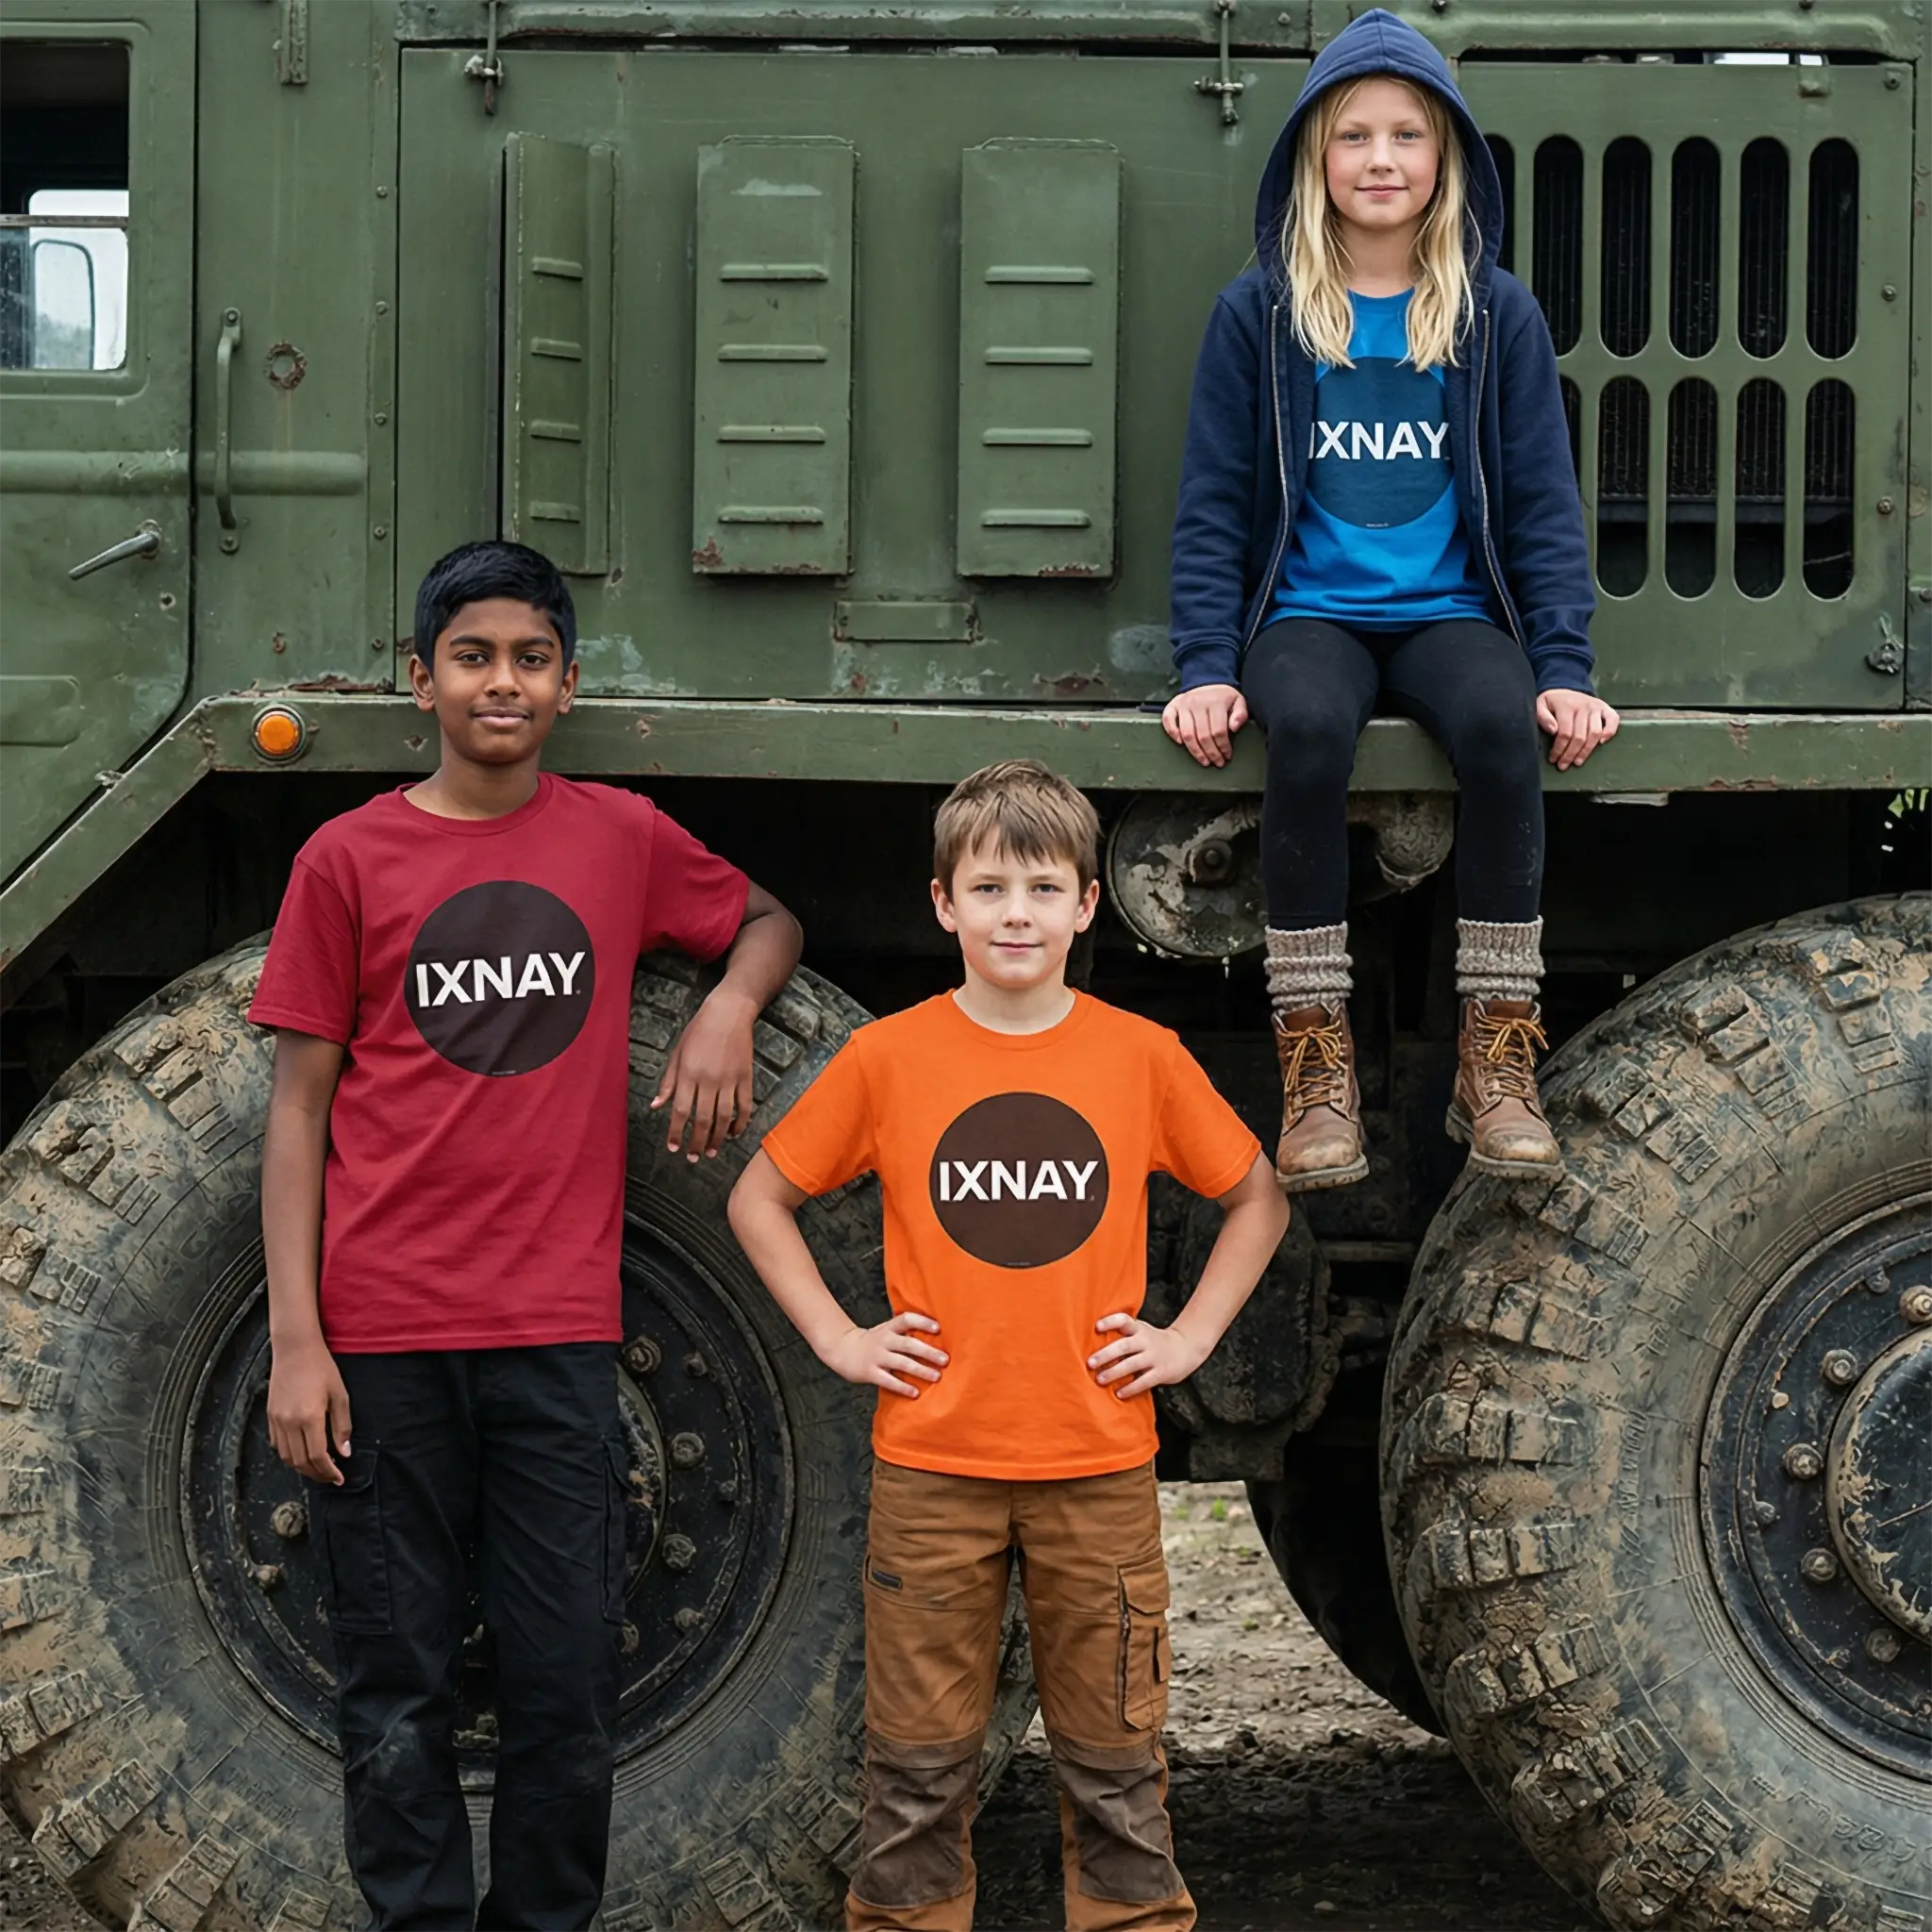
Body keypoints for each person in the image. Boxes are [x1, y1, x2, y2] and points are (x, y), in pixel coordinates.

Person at [249, 540, 802, 1932]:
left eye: (532, 660)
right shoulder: (347, 859)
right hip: (380, 1342)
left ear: (566, 685)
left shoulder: (616, 838)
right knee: (395, 1682)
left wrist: (730, 1007)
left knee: (565, 1690)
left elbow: (764, 920)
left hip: (559, 1340)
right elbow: (298, 1114)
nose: (503, 682)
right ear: (420, 680)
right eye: (475, 658)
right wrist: (299, 1344)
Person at [728, 759, 1287, 1932]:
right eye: (988, 888)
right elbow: (757, 1197)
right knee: (916, 1777)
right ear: (944, 904)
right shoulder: (891, 1057)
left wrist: (1185, 1337)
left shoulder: (1136, 1054)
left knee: (1118, 1770)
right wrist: (839, 1335)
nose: (1016, 912)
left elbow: (1257, 1199)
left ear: (1088, 903)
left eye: (1041, 887)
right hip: (933, 1469)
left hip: (1097, 1467)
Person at [1163, 8, 1619, 1189]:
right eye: (1353, 135)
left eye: (1406, 135)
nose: (1379, 159)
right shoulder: (1258, 313)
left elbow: (1539, 508)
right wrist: (1206, 664)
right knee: (1305, 727)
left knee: (1496, 724)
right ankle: (1313, 1070)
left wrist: (1561, 669)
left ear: (1443, 158)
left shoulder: (1488, 314)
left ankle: (1493, 1055)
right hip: (1305, 612)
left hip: (1445, 613)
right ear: (1314, 159)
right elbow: (1213, 499)